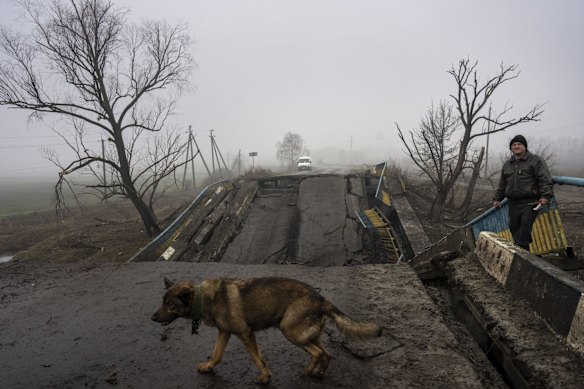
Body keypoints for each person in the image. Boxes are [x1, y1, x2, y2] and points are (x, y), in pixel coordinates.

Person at [493, 134, 553, 251]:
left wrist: (545, 196)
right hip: (513, 202)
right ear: (511, 148)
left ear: (525, 146)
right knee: (513, 227)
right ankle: (524, 253)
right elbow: (502, 184)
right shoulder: (507, 164)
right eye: (514, 145)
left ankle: (520, 254)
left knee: (525, 226)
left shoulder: (536, 161)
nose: (516, 146)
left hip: (530, 201)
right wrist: (497, 199)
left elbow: (544, 179)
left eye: (519, 144)